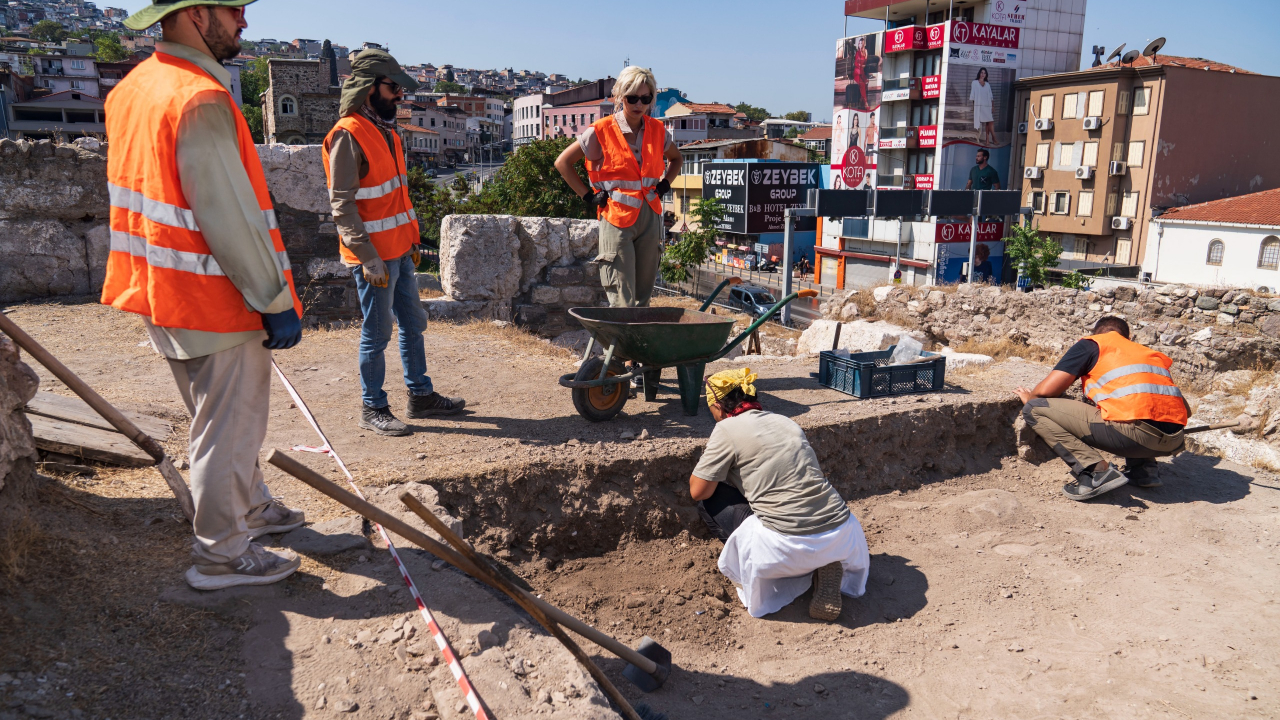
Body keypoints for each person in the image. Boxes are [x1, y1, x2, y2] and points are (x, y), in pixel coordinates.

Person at [107, 0, 305, 590]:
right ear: (196, 14)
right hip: (215, 297)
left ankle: (247, 508)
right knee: (228, 427)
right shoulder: (200, 96)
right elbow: (229, 216)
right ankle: (221, 554)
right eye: (235, 10)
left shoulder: (133, 88)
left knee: (216, 419)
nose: (244, 22)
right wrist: (273, 299)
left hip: (160, 287)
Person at [323, 49, 465, 437]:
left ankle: (420, 395)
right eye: (393, 87)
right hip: (373, 259)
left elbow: (398, 198)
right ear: (370, 88)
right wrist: (368, 258)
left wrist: (413, 241)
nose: (400, 95)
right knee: (377, 332)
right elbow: (342, 205)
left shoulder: (386, 132)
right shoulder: (348, 135)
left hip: (400, 251)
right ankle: (373, 407)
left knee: (413, 324)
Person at [689, 369, 870, 620]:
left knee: (709, 499)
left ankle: (754, 571)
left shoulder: (727, 429)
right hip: (844, 534)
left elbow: (698, 490)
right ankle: (823, 564)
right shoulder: (785, 421)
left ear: (718, 406)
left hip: (787, 547)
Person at [1016, 316, 1189, 501]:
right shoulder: (1148, 353)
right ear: (1127, 337)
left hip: (1134, 439)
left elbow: (1044, 392)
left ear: (1097, 333)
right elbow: (1185, 409)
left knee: (1035, 408)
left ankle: (1095, 473)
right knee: (1133, 407)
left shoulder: (1093, 345)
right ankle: (1144, 471)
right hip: (1174, 441)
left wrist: (1030, 398)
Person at [554, 66, 683, 308]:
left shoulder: (657, 130)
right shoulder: (601, 130)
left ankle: (637, 345)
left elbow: (677, 159)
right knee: (622, 299)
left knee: (643, 297)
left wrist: (665, 184)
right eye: (632, 98)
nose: (639, 104)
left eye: (645, 99)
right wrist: (587, 197)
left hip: (650, 216)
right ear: (620, 96)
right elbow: (562, 163)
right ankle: (619, 346)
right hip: (616, 217)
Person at [969, 68, 996, 146]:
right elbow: (973, 95)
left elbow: (991, 96)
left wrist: (993, 106)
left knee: (989, 121)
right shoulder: (974, 82)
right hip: (979, 106)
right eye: (981, 72)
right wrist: (974, 106)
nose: (983, 74)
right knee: (989, 121)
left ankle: (988, 140)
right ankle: (994, 138)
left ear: (986, 75)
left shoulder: (987, 84)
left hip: (987, 106)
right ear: (979, 73)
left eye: (984, 73)